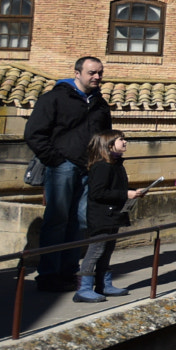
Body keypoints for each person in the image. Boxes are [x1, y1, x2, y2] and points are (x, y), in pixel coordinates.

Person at [23, 56, 113, 289]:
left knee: (81, 221)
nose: (97, 77)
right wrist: (56, 159)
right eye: (92, 72)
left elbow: (106, 136)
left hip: (90, 168)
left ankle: (68, 271)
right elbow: (34, 133)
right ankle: (49, 275)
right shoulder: (54, 98)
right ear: (77, 73)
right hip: (62, 167)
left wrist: (103, 163)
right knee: (57, 219)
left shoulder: (100, 104)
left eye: (100, 73)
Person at [75, 130, 144, 303]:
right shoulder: (101, 166)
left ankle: (103, 284)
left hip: (113, 215)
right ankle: (83, 288)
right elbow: (98, 193)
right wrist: (125, 194)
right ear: (109, 144)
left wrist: (132, 194)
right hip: (101, 216)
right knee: (96, 250)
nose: (125, 142)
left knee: (107, 250)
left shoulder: (116, 165)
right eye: (121, 139)